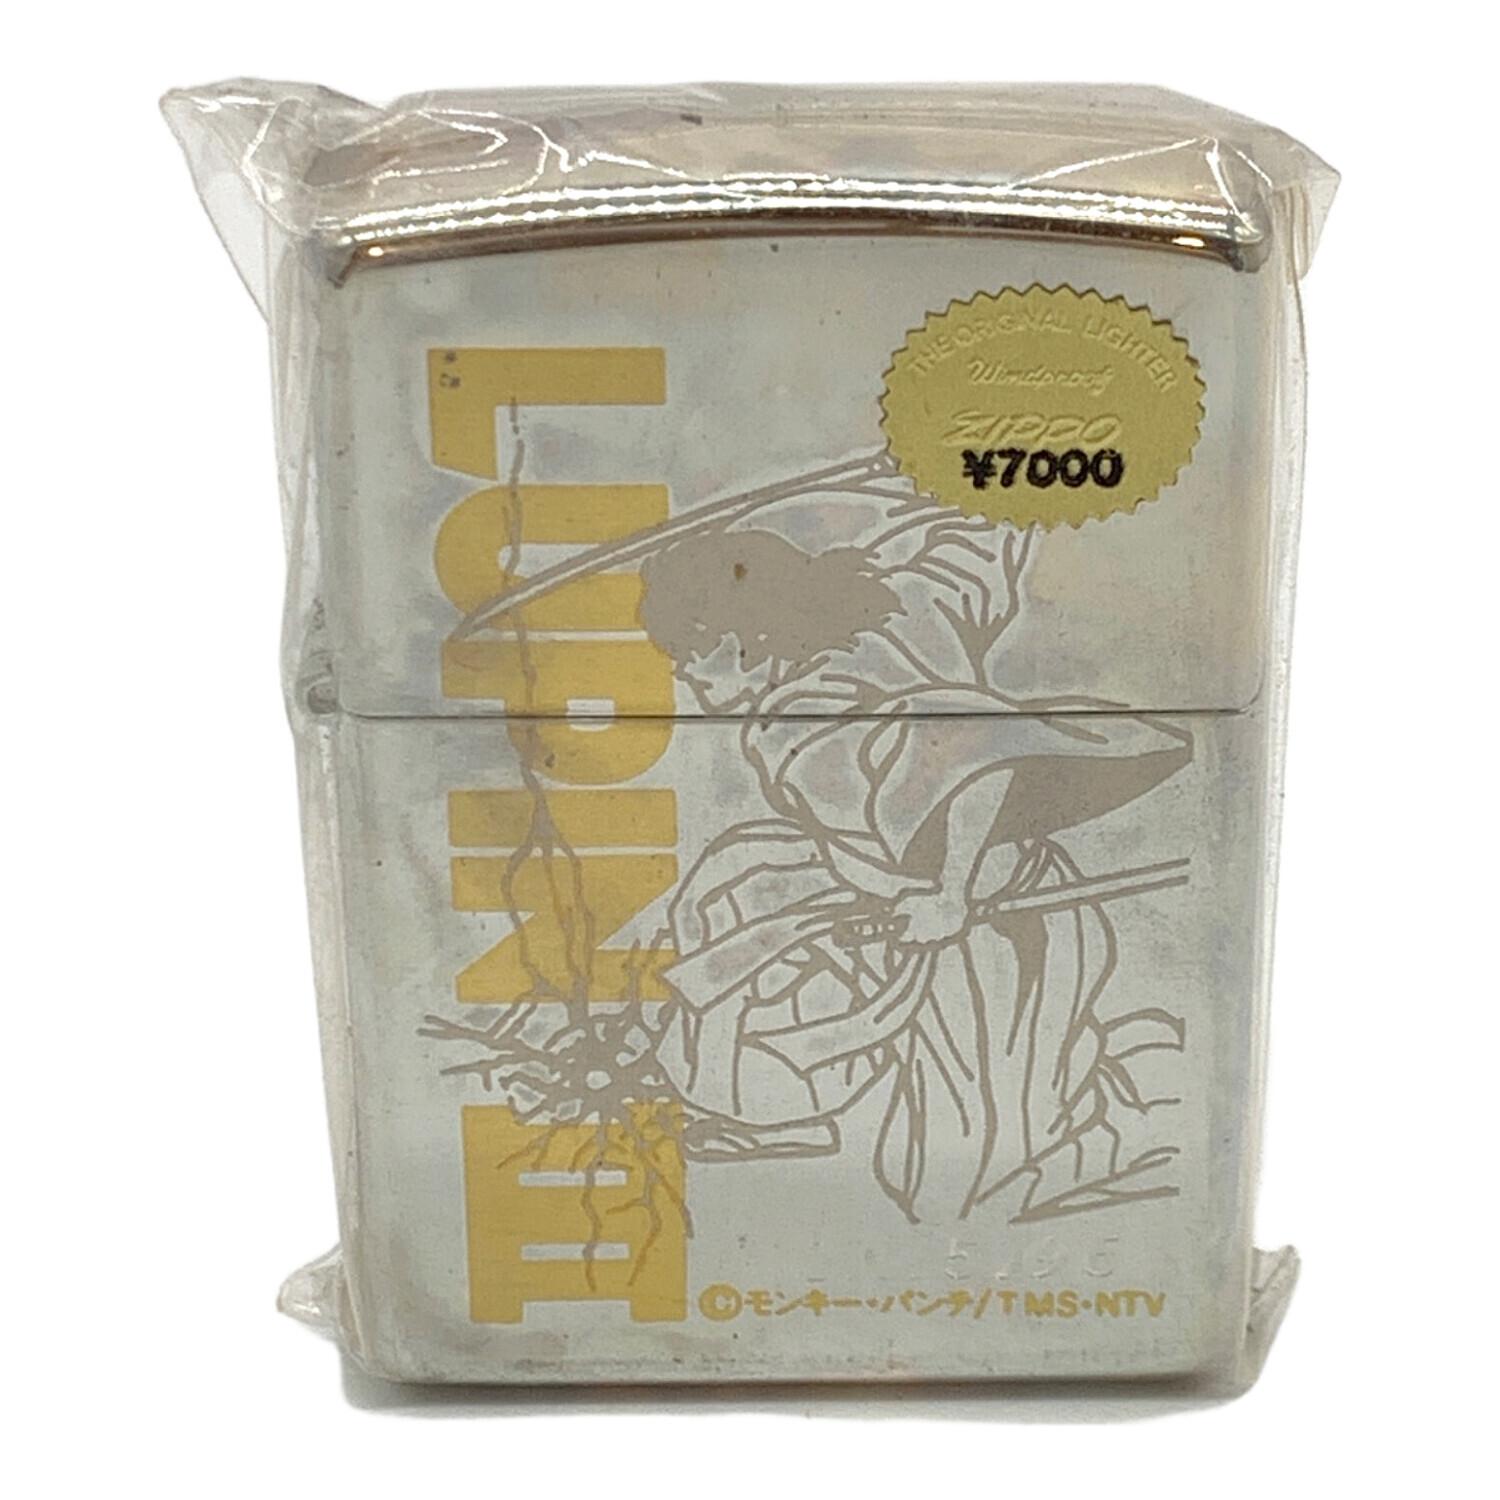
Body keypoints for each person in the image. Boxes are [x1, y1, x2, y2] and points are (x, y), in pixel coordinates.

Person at [637, 491, 1191, 1224]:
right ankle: (776, 1108)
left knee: (970, 1170)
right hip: (913, 892)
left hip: (989, 926)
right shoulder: (907, 601)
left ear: (750, 637)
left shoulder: (810, 726)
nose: (685, 676)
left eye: (693, 653)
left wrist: (952, 892)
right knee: (736, 888)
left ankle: (1112, 1128)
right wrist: (941, 482)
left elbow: (975, 760)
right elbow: (974, 542)